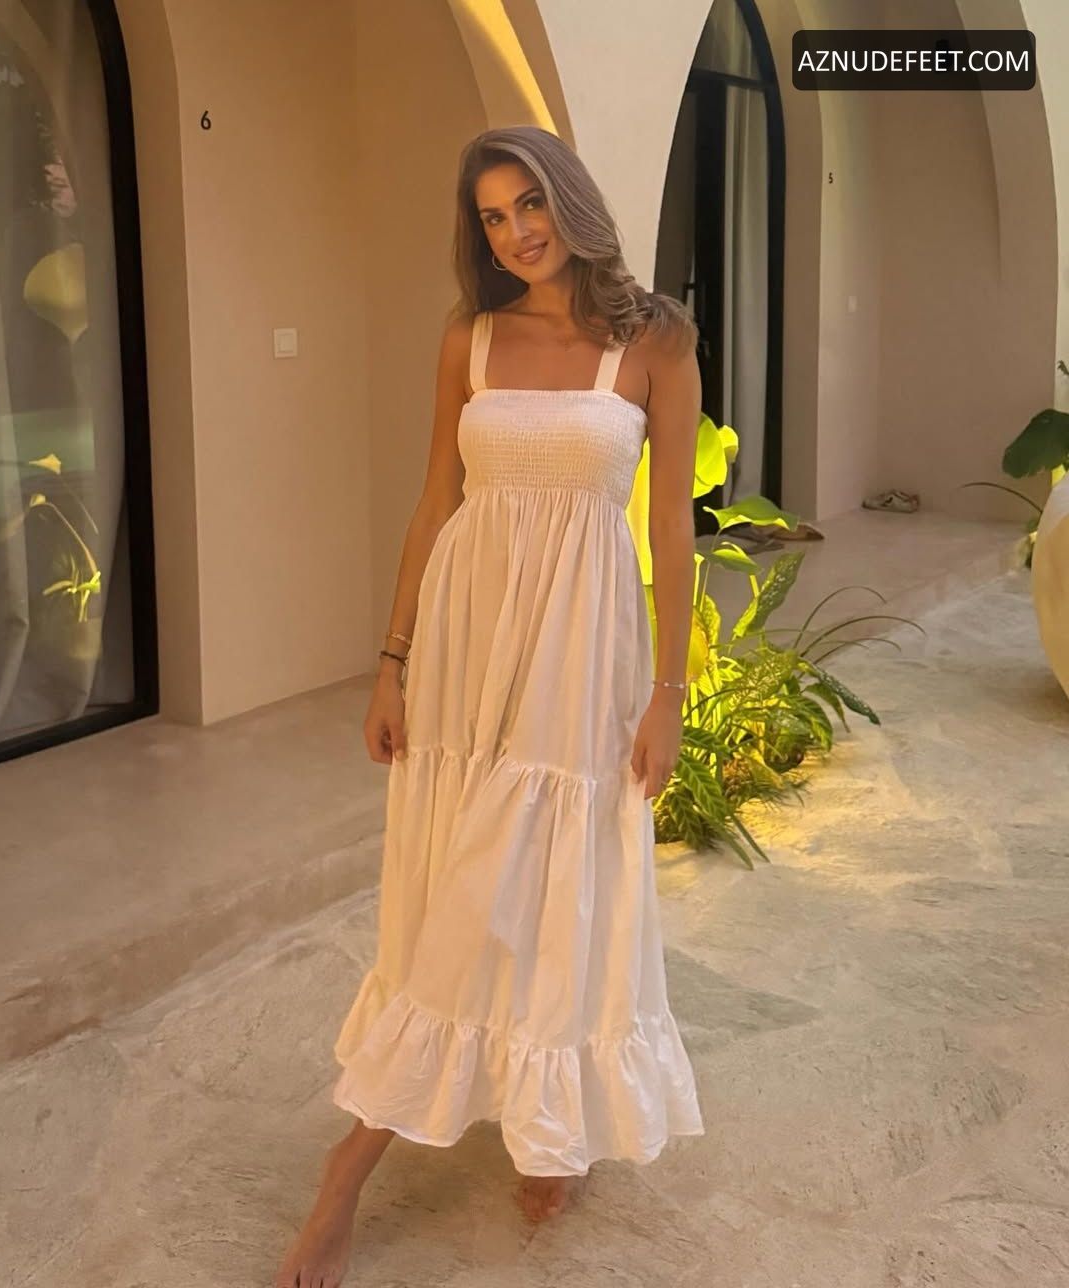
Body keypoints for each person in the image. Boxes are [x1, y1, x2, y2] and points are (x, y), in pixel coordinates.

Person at [274, 124, 705, 1288]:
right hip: (470, 639)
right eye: (493, 217)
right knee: (462, 874)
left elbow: (672, 527)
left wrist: (668, 692)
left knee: (551, 876)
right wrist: (392, 659)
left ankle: (541, 1121)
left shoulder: (656, 341)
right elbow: (436, 500)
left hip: (585, 645)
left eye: (530, 204)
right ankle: (355, 1168)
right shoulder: (467, 337)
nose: (516, 232)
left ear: (570, 199)